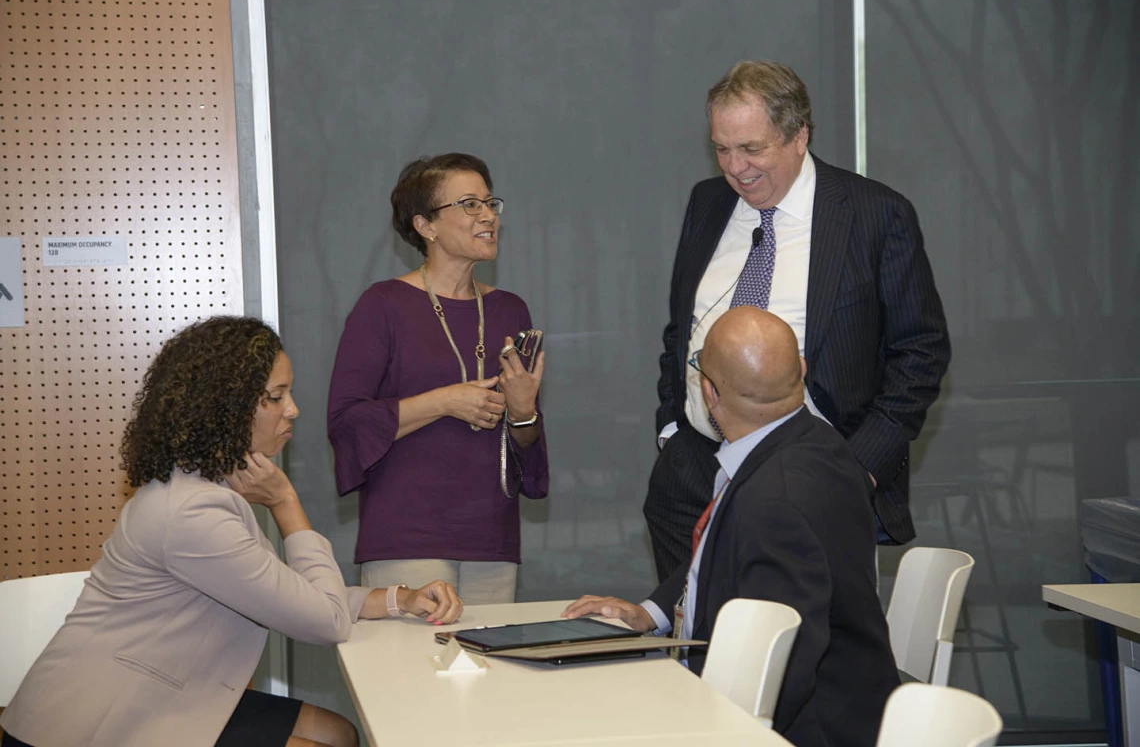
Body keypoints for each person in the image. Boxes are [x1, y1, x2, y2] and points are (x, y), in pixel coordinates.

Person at [0, 316, 463, 747]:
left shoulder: (204, 488)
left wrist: (399, 599)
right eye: (276, 396)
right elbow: (324, 622)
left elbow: (289, 595)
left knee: (337, 733)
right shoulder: (192, 514)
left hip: (165, 690)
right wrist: (286, 503)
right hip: (97, 721)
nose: (294, 410)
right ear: (226, 405)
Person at [644, 60, 951, 581]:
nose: (736, 167)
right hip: (695, 469)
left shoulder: (874, 214)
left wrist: (859, 470)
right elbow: (682, 328)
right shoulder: (708, 203)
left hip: (816, 474)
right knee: (694, 647)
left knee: (799, 650)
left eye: (753, 148)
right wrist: (673, 432)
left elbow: (920, 352)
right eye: (722, 148)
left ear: (798, 134)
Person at [567, 307, 899, 747]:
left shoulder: (776, 500)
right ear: (800, 370)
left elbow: (778, 669)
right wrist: (650, 613)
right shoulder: (814, 445)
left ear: (709, 393)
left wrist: (694, 725)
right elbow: (720, 557)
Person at [328, 153, 548, 605]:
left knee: (487, 671)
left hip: (491, 536)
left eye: (490, 203)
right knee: (415, 672)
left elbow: (524, 441)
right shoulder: (382, 306)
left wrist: (524, 411)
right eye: (469, 204)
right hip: (407, 535)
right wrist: (445, 402)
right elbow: (346, 422)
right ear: (426, 226)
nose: (488, 215)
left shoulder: (511, 310)